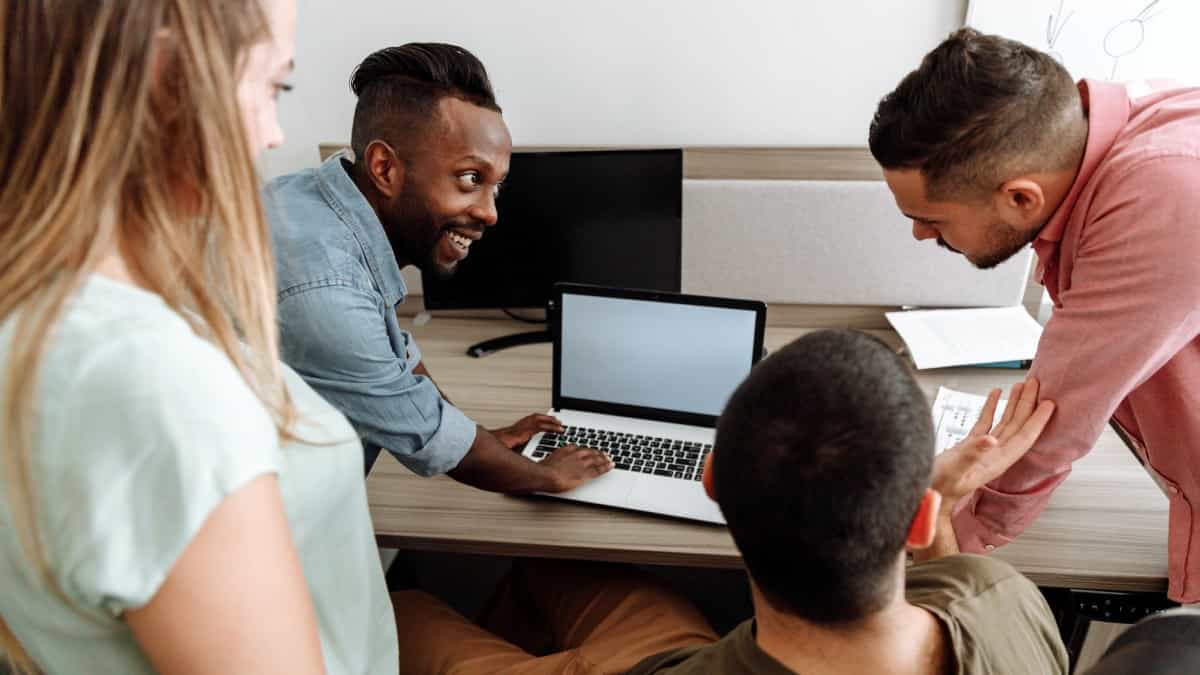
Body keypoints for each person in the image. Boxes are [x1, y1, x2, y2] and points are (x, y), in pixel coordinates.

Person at [0, 1, 398, 672]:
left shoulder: (49, 314)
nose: (274, 134)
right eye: (276, 87)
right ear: (167, 78)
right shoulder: (149, 380)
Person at [389, 330, 1068, 674]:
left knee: (405, 607)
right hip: (707, 652)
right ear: (918, 520)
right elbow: (948, 582)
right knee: (548, 571)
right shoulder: (1004, 598)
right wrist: (938, 505)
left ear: (712, 482)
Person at [868, 27, 1200, 602]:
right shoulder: (1118, 136)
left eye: (933, 218)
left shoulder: (1166, 195)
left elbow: (1053, 419)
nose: (921, 235)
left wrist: (937, 546)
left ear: (1021, 198)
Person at [264, 43, 611, 492]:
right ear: (384, 167)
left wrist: (479, 436)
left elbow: (397, 364)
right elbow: (432, 442)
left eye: (496, 187)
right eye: (470, 179)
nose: (490, 213)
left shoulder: (315, 201)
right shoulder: (328, 288)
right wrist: (549, 476)